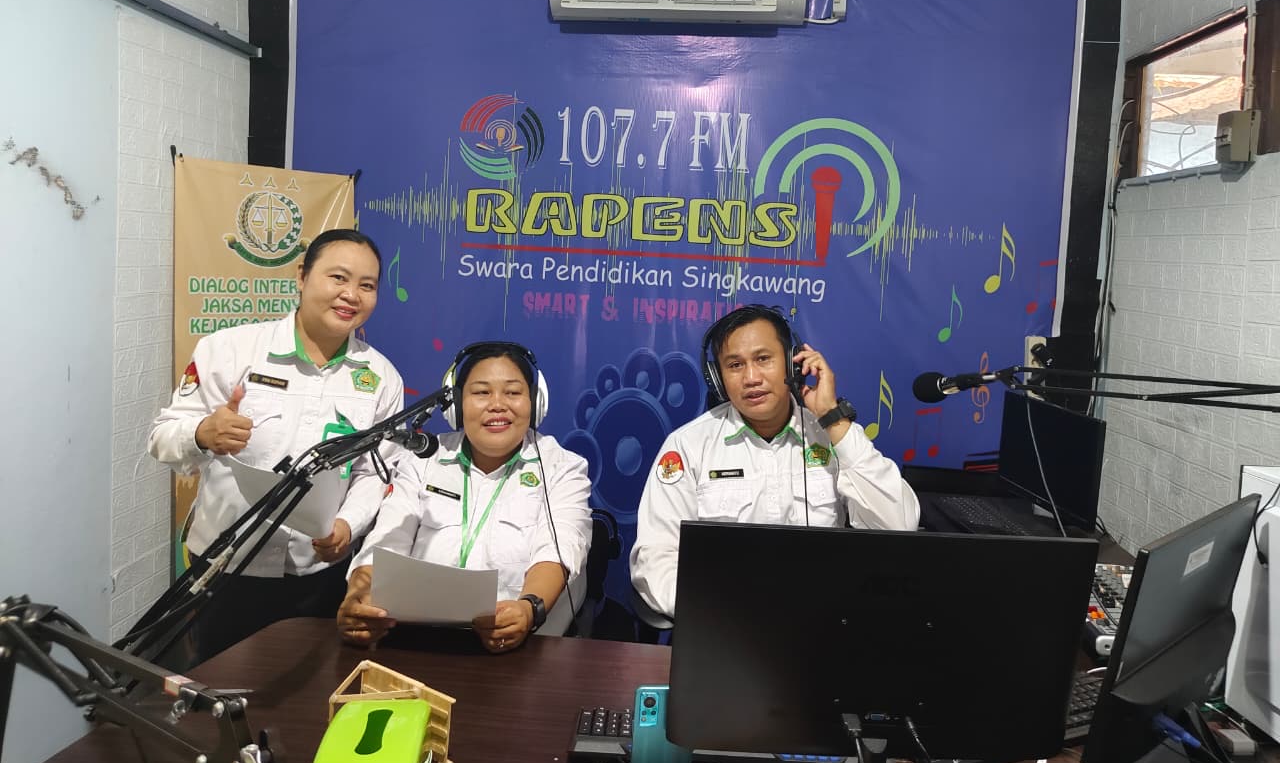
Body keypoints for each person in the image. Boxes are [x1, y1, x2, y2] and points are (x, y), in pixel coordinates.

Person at [149, 228, 405, 662]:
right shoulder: (229, 350)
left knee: (311, 687)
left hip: (318, 574)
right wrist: (202, 433)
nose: (351, 295)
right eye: (338, 278)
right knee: (220, 685)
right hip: (226, 568)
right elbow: (161, 438)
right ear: (302, 275)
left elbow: (374, 472)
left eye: (367, 285)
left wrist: (347, 525)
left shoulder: (381, 377)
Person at [630, 304, 921, 619]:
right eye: (735, 365)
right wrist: (718, 610)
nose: (751, 378)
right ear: (717, 378)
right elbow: (656, 557)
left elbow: (898, 526)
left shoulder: (833, 436)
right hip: (724, 625)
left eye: (763, 359)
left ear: (793, 364)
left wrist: (832, 418)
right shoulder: (688, 446)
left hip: (825, 621)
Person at [337, 342, 592, 653]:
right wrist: (359, 597)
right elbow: (387, 541)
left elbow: (558, 551)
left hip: (522, 649)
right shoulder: (422, 460)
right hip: (418, 645)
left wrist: (527, 610)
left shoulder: (562, 468)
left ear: (535, 403)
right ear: (456, 405)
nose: (497, 405)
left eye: (512, 392)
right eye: (481, 392)